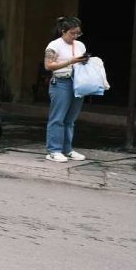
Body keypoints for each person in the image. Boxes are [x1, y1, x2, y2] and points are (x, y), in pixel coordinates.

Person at [44, 16, 90, 162]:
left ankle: (67, 149)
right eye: (72, 33)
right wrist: (71, 61)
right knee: (57, 118)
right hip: (61, 82)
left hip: (77, 82)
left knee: (70, 119)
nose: (75, 36)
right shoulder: (54, 45)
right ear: (63, 31)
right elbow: (48, 66)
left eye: (78, 33)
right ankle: (54, 150)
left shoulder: (80, 45)